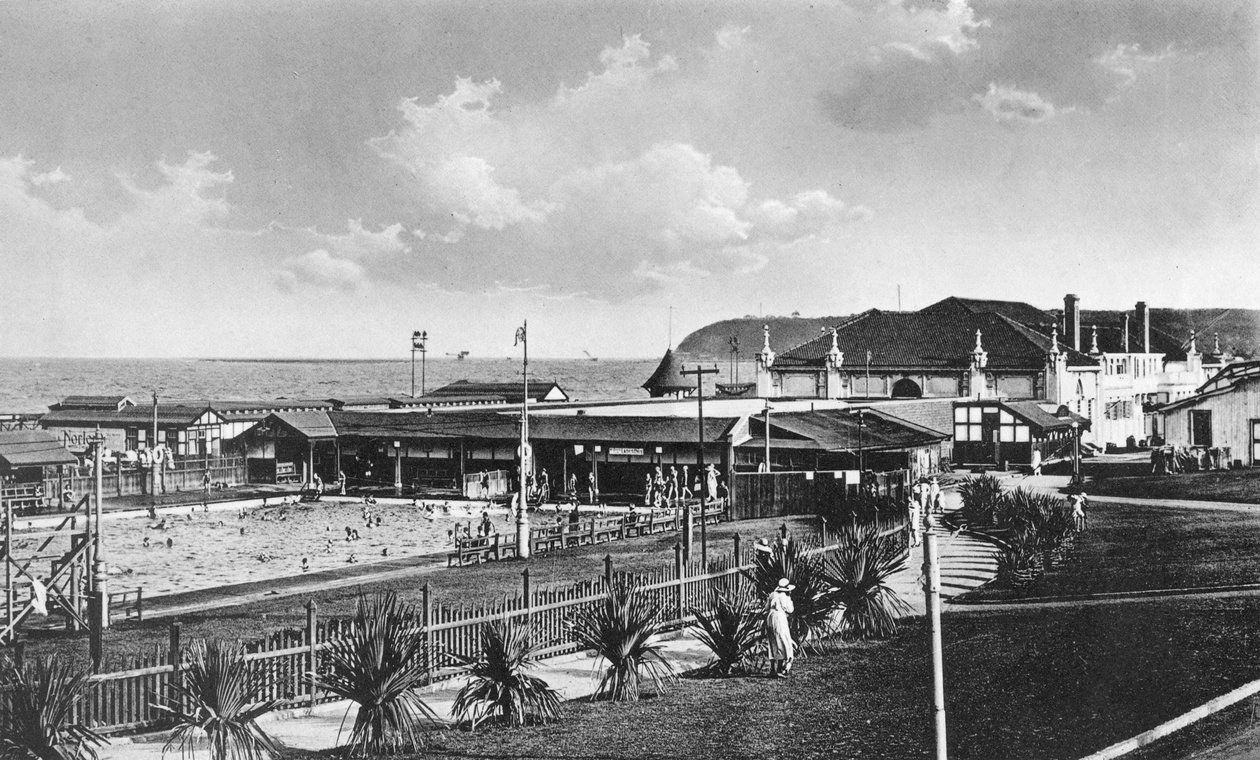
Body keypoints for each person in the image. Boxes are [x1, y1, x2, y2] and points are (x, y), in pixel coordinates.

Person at [765, 578, 795, 677]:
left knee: (772, 641)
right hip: (779, 618)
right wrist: (789, 599)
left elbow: (766, 608)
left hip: (770, 617)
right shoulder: (785, 597)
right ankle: (779, 669)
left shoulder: (772, 594)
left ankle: (773, 669)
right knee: (783, 640)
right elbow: (790, 610)